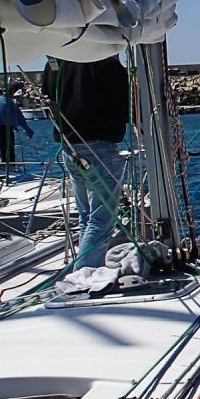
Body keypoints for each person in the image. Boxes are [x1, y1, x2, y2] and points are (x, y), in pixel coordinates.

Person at [42, 56, 130, 266]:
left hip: (70, 148)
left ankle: (85, 268)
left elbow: (48, 103)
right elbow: (126, 105)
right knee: (102, 220)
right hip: (99, 148)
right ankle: (84, 272)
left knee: (86, 216)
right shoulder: (105, 62)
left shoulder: (54, 64)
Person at [0, 85, 33, 166]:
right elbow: (19, 116)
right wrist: (27, 129)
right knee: (8, 153)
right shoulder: (8, 100)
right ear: (1, 93)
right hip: (4, 129)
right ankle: (10, 168)